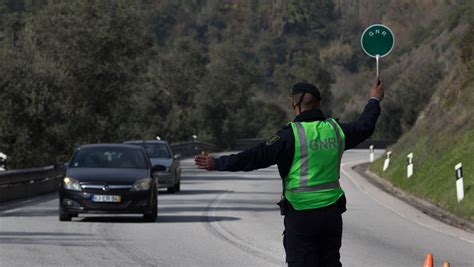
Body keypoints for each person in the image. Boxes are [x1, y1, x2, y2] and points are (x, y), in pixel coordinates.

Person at [194, 77, 384, 266]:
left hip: (301, 217)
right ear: (319, 104)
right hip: (331, 215)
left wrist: (217, 163)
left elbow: (254, 157)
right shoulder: (336, 131)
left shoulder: (289, 136)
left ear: (294, 105)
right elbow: (365, 126)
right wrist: (374, 100)